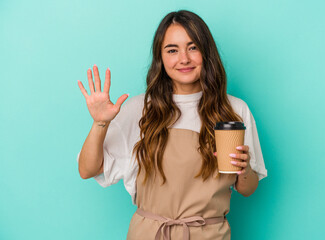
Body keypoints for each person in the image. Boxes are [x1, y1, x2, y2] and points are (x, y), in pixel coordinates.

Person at [77, 10, 267, 240]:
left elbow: (248, 189)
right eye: (172, 50)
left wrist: (244, 169)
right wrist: (100, 123)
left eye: (193, 47)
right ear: (161, 57)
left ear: (207, 52)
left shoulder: (234, 110)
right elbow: (87, 170)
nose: (184, 58)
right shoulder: (139, 109)